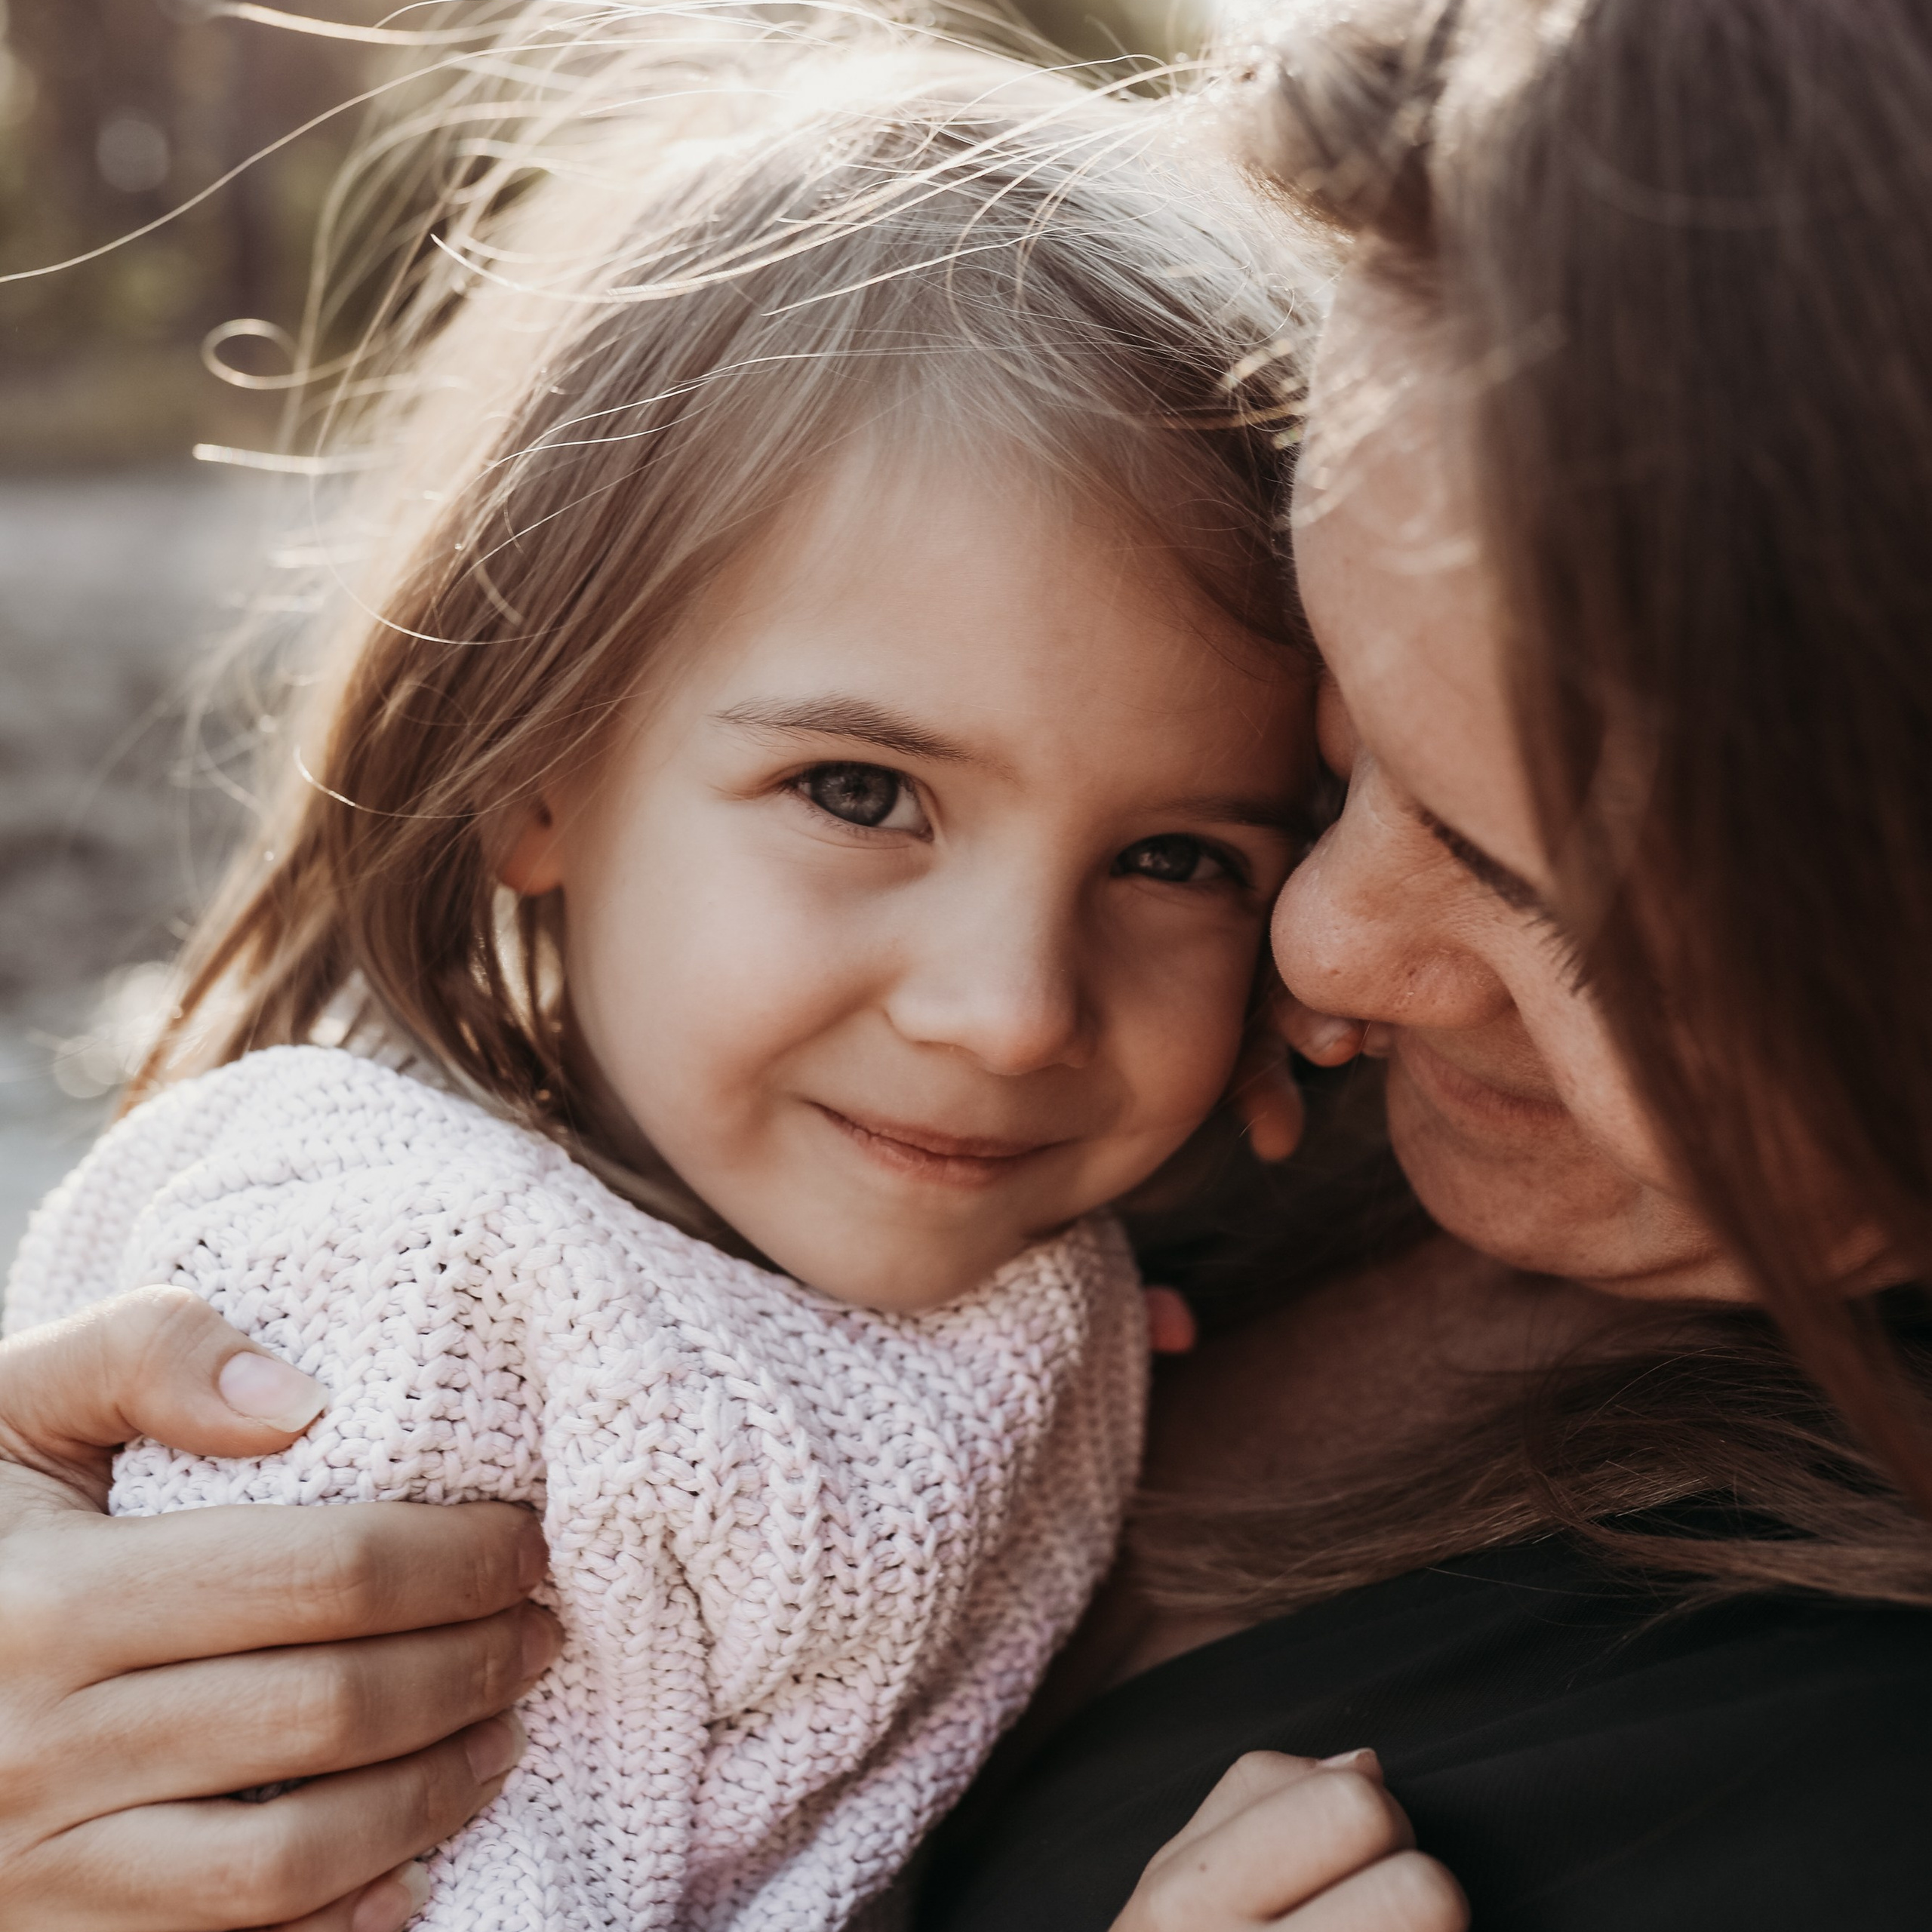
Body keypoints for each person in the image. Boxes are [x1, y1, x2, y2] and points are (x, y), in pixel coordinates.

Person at [14, 0, 1932, 1926]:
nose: (1319, 951)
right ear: (534, 759)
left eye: (1185, 849)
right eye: (1343, 773)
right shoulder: (403, 1302)